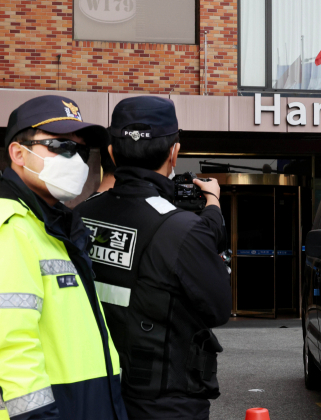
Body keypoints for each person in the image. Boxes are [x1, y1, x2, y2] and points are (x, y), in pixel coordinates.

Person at [74, 96, 231, 420]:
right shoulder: (182, 229)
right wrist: (213, 201)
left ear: (112, 153)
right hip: (163, 402)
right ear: (174, 153)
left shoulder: (80, 216)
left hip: (94, 390)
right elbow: (218, 309)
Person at [0, 95, 128, 420]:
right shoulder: (11, 226)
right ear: (18, 153)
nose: (76, 161)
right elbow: (11, 347)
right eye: (61, 146)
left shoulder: (54, 224)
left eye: (81, 151)